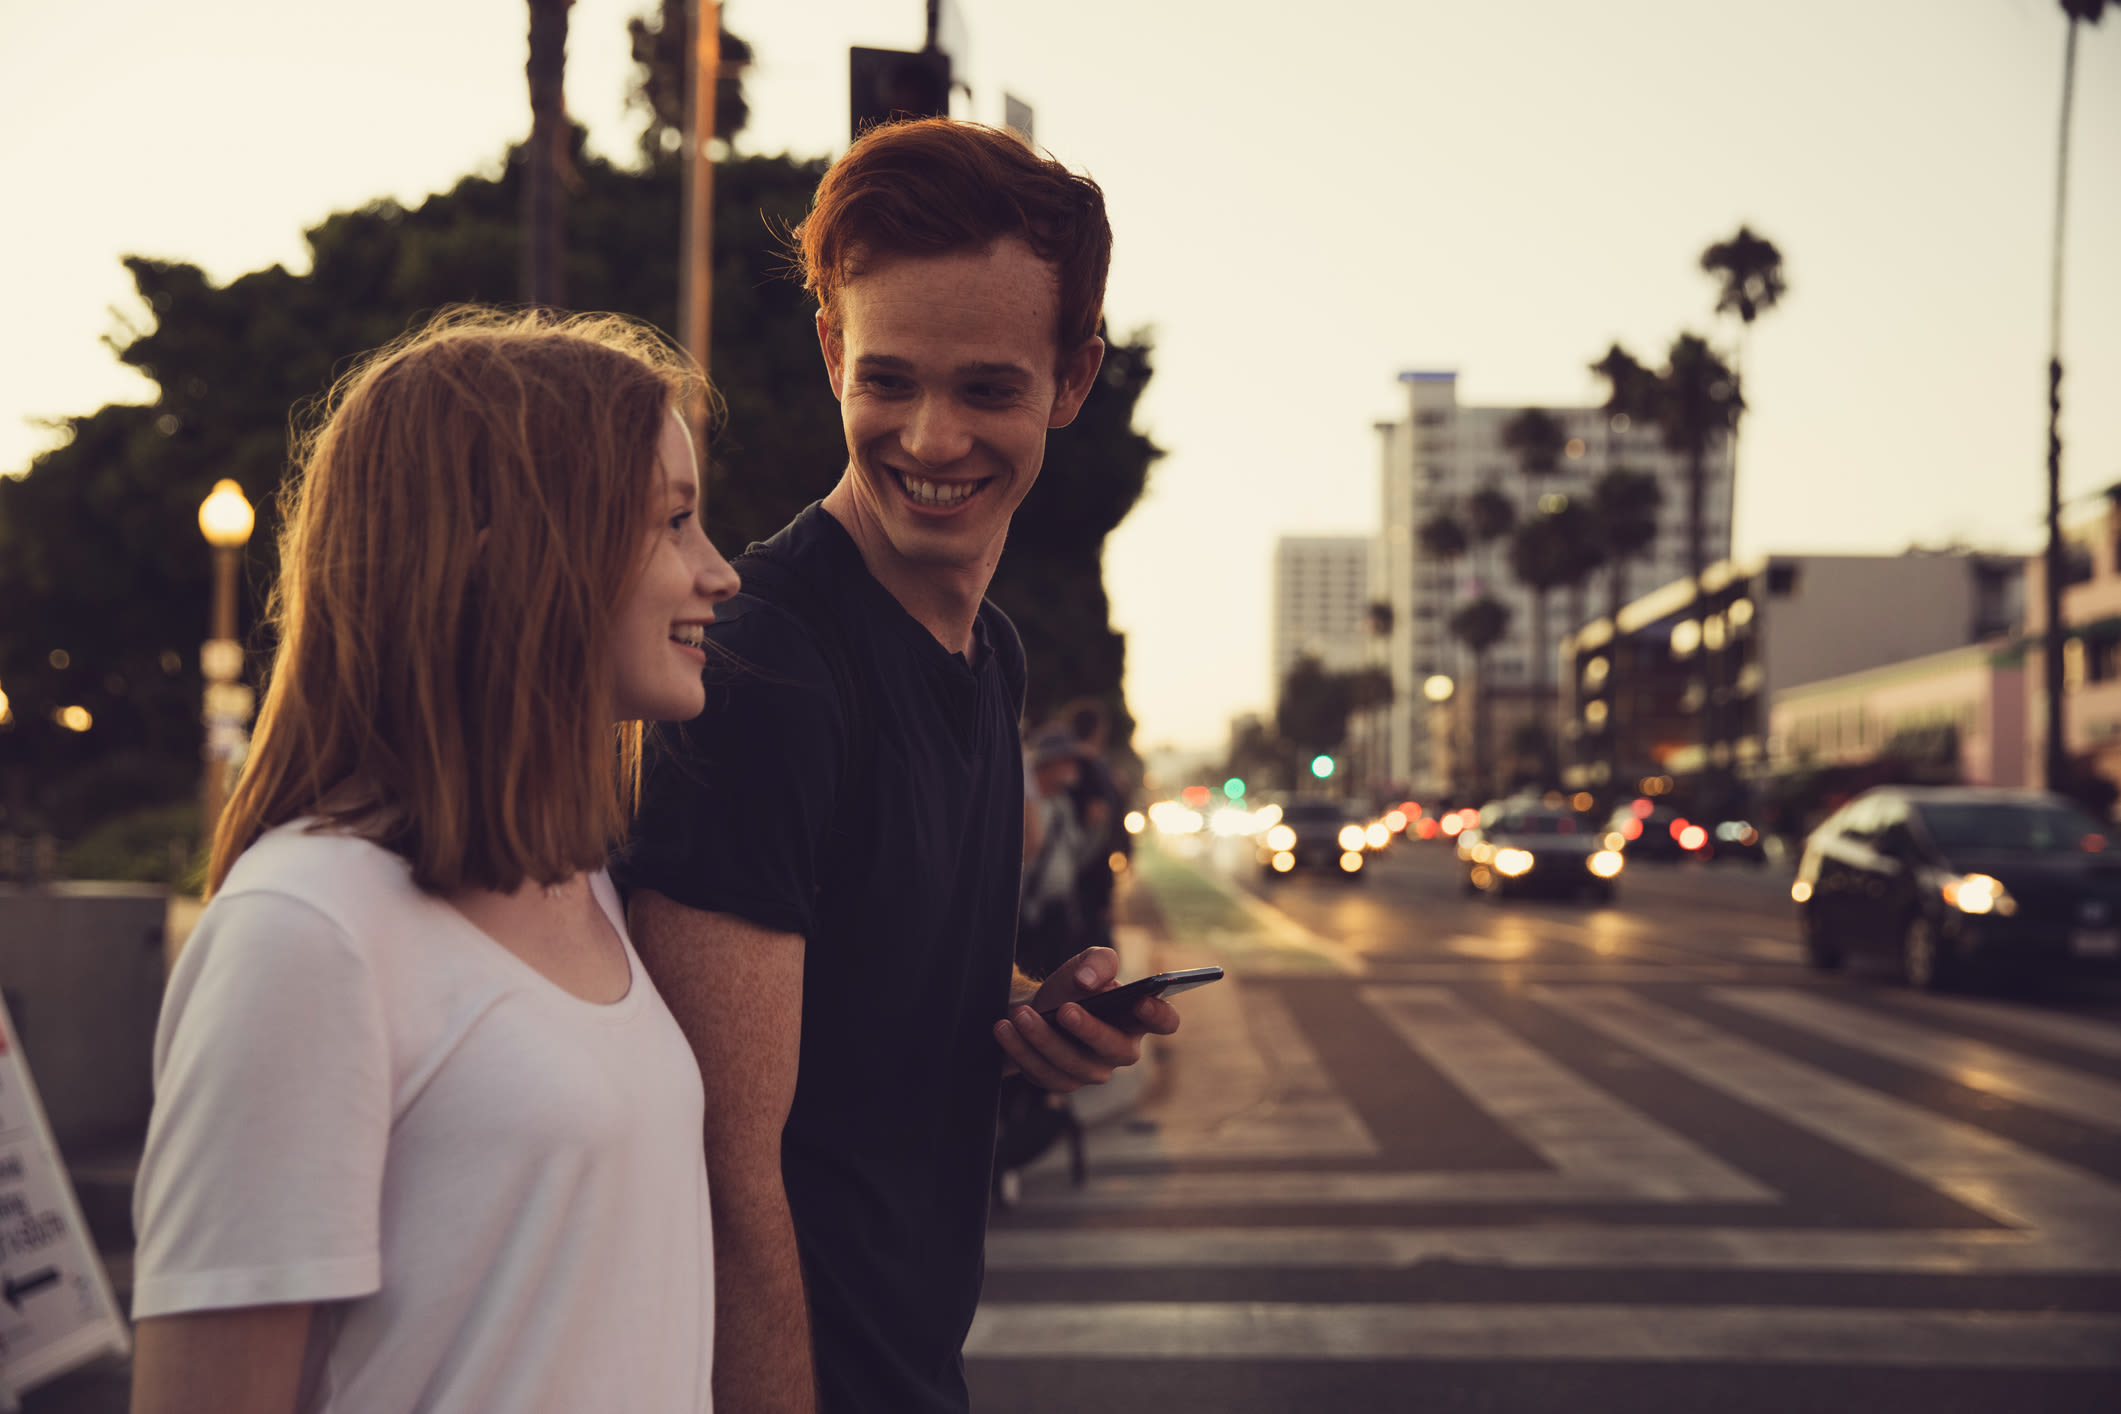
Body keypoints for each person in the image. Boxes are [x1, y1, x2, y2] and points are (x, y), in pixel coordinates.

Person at [618, 118, 1180, 1414]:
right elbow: (718, 1167)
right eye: (888, 381)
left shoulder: (991, 659)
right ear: (831, 352)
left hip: (913, 1356)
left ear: (1072, 378)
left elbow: (858, 996)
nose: (931, 439)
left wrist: (1032, 1016)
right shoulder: (757, 670)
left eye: (988, 389)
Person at [128, 310, 740, 1414]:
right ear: (513, 552)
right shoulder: (308, 931)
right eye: (675, 523)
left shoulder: (584, 884)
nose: (721, 572)